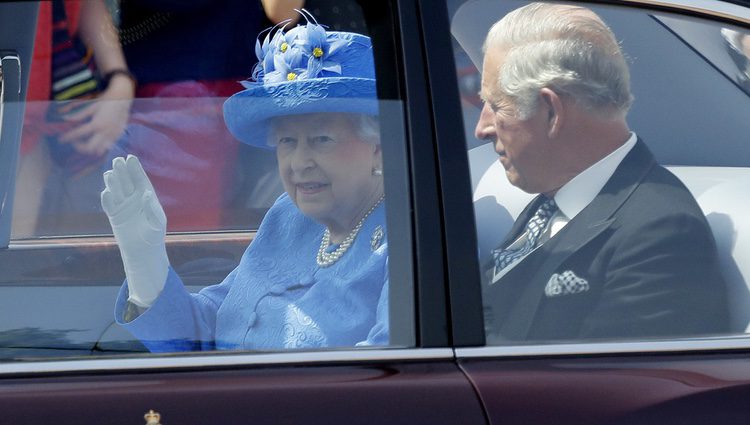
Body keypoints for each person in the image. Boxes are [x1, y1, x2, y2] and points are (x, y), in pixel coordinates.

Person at [102, 15, 388, 352]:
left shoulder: (406, 241)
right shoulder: (288, 217)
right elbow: (208, 331)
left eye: (321, 139)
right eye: (287, 142)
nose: (298, 163)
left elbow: (384, 381)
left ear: (379, 149)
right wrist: (145, 265)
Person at [475, 3, 728, 342]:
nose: (482, 128)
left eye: (496, 105)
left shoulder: (660, 235)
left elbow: (613, 388)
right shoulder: (554, 199)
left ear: (551, 111)